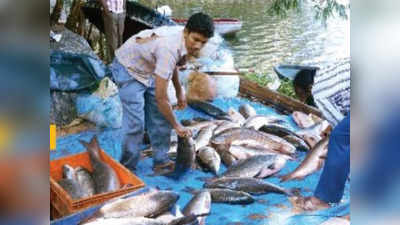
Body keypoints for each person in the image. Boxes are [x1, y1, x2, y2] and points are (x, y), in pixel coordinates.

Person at [110, 12, 214, 174]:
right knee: (135, 124)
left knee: (160, 118)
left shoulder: (184, 40)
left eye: (203, 42)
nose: (198, 46)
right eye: (196, 40)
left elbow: (172, 66)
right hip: (128, 67)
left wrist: (180, 91)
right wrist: (176, 125)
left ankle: (161, 162)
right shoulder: (168, 47)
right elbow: (161, 98)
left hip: (150, 68)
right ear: (186, 32)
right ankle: (127, 168)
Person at [294, 59, 351, 211]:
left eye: (301, 93)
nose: (302, 98)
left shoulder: (318, 91)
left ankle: (324, 199)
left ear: (309, 87)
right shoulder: (327, 71)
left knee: (339, 140)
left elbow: (344, 131)